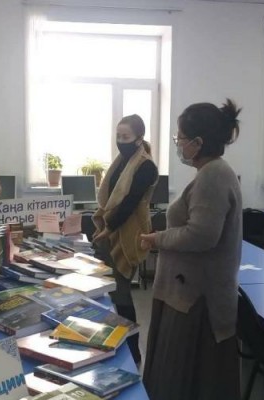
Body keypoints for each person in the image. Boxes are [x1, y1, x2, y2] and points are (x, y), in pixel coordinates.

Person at [140, 100, 242, 400]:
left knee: (188, 384)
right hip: (185, 294)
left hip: (197, 300)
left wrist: (157, 239)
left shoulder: (213, 175)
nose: (178, 143)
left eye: (180, 138)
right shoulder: (210, 172)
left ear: (197, 143)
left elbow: (201, 235)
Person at [91, 114, 158, 365]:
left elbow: (129, 203)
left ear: (139, 138)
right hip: (112, 230)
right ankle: (116, 343)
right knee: (111, 293)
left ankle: (133, 350)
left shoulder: (145, 166)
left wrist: (108, 228)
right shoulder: (122, 161)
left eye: (126, 136)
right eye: (118, 136)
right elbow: (111, 197)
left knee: (121, 293)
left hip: (128, 234)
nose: (120, 141)